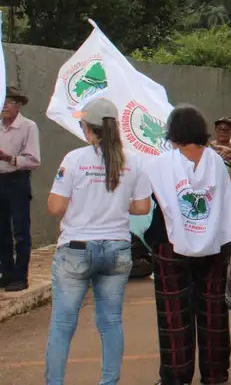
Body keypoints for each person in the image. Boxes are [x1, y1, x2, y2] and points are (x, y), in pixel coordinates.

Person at [44, 98, 152, 385]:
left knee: (63, 325)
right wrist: (117, 206)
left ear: (86, 127)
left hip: (76, 250)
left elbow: (55, 207)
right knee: (111, 322)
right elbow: (142, 208)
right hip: (117, 249)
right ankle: (109, 382)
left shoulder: (74, 159)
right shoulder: (134, 161)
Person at [144, 105, 231, 385]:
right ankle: (215, 373)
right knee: (213, 310)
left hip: (169, 244)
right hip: (214, 245)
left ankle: (175, 375)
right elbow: (226, 203)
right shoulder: (217, 163)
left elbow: (146, 202)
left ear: (172, 133)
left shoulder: (159, 164)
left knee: (174, 312)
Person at [0, 86, 40, 292]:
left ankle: (20, 276)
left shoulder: (28, 126)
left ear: (18, 105)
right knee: (1, 230)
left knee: (21, 231)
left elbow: (34, 160)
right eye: (3, 100)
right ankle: (5, 273)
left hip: (17, 179)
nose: (5, 106)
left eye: (9, 101)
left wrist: (9, 158)